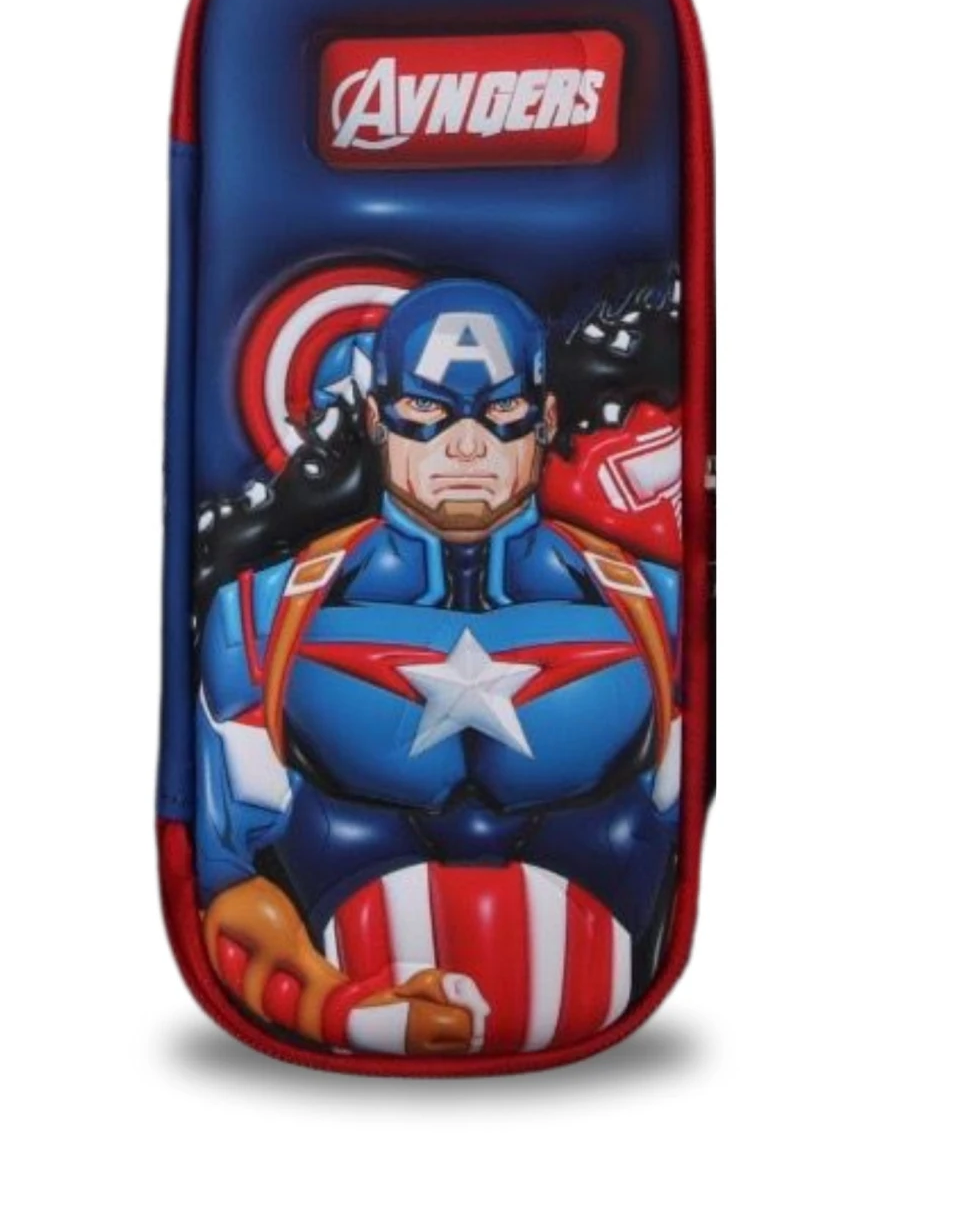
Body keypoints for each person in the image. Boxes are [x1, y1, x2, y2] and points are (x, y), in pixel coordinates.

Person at [194, 278, 681, 1056]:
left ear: (547, 418)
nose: (466, 446)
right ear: (374, 420)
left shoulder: (659, 612)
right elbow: (218, 873)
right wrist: (336, 1009)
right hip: (343, 1019)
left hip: (619, 1019)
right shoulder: (259, 618)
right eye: (426, 410)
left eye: (501, 411)